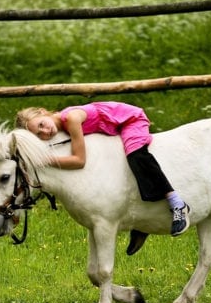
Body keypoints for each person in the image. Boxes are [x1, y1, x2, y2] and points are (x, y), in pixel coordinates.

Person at [14, 101, 190, 241]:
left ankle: (176, 203)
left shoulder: (72, 119)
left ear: (43, 112)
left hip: (129, 120)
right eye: (39, 134)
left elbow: (79, 161)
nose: (46, 131)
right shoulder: (63, 127)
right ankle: (140, 224)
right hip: (114, 129)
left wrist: (45, 160)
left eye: (42, 124)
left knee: (137, 155)